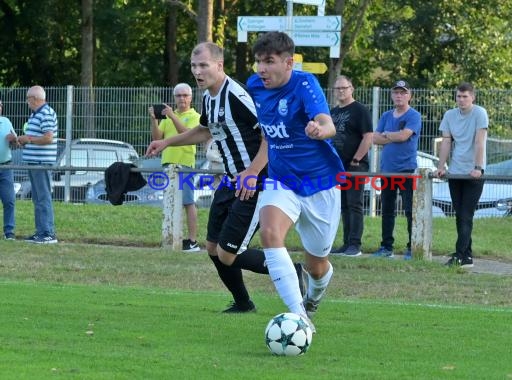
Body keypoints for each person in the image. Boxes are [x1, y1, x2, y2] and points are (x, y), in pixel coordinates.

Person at [146, 42, 304, 313]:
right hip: (231, 181)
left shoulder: (237, 96)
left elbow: (271, 134)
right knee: (212, 247)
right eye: (194, 66)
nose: (197, 71)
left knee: (228, 253)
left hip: (256, 182)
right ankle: (243, 303)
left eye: (203, 65)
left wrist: (253, 172)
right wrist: (166, 143)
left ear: (219, 66)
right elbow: (205, 131)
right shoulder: (209, 97)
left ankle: (296, 272)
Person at [247, 31, 344, 332]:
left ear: (289, 63)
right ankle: (299, 316)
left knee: (317, 265)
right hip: (281, 180)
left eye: (269, 62)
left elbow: (327, 123)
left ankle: (313, 296)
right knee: (270, 232)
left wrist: (320, 130)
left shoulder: (305, 84)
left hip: (321, 184)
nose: (262, 69)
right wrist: (253, 169)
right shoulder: (254, 87)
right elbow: (265, 131)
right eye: (259, 62)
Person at [436, 82, 488, 268]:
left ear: (472, 97)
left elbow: (479, 142)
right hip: (456, 172)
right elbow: (446, 141)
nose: (461, 99)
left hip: (473, 173)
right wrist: (441, 166)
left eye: (465, 96)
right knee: (460, 215)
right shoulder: (449, 115)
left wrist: (478, 167)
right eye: (459, 96)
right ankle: (467, 256)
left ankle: (459, 255)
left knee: (466, 214)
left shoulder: (479, 113)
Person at [371, 80, 422, 260]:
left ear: (409, 95)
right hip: (387, 170)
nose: (399, 96)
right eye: (396, 92)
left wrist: (387, 135)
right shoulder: (386, 116)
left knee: (409, 210)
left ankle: (412, 247)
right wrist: (392, 136)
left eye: (403, 92)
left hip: (406, 169)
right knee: (387, 210)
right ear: (392, 95)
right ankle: (386, 247)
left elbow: (404, 136)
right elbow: (375, 138)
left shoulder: (414, 116)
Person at [148, 83, 201, 252]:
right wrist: (154, 120)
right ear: (174, 98)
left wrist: (171, 115)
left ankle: (192, 241)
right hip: (168, 163)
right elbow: (157, 137)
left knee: (187, 202)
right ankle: (172, 236)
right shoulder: (168, 116)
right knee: (170, 202)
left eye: (185, 95)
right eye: (178, 96)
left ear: (191, 98)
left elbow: (187, 133)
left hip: (185, 164)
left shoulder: (195, 116)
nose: (182, 99)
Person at [329, 75, 373, 257]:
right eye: (337, 88)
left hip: (355, 167)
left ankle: (355, 245)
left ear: (351, 88)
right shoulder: (333, 112)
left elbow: (368, 136)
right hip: (337, 167)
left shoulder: (360, 110)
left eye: (344, 88)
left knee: (354, 204)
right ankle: (347, 243)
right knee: (343, 206)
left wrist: (356, 159)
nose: (340, 91)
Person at [17, 86, 58, 244]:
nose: (27, 103)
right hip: (35, 162)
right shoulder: (35, 114)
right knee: (37, 197)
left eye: (28, 99)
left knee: (43, 197)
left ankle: (48, 233)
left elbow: (48, 138)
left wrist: (29, 139)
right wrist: (25, 141)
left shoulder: (46, 113)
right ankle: (41, 231)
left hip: (41, 163)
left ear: (35, 99)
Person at [0, 99, 18, 240]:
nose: (0, 108)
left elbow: (16, 145)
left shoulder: (6, 121)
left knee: (9, 200)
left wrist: (14, 140)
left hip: (6, 166)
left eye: (0, 105)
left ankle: (9, 231)